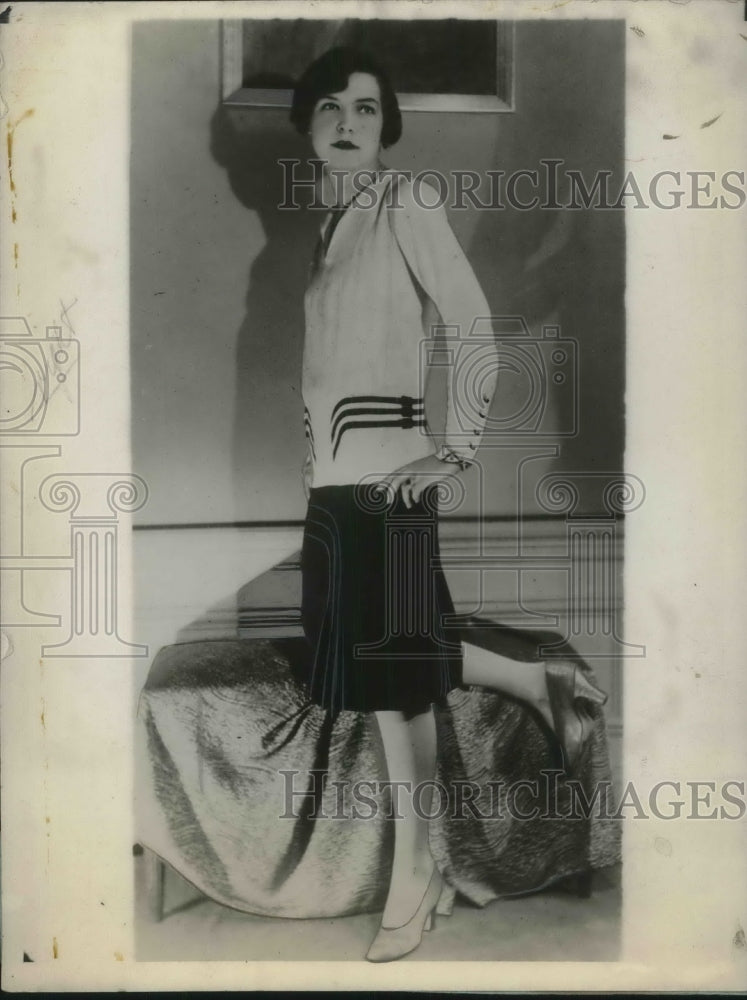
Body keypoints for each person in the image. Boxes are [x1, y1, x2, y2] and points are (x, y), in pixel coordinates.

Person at [289, 46, 607, 962]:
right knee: (360, 645)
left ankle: (415, 871)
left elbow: (471, 325)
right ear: (307, 125)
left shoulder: (403, 202)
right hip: (331, 483)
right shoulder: (333, 222)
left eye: (365, 107)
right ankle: (529, 680)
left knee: (393, 688)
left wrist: (454, 448)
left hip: (385, 479)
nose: (347, 122)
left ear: (385, 126)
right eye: (328, 108)